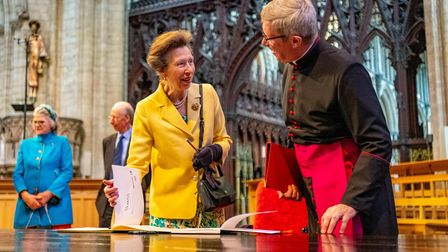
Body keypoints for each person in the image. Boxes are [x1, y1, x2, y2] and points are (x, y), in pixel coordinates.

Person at [260, 0, 398, 236]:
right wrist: (293, 179)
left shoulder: (346, 70)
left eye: (269, 38)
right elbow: (302, 133)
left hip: (349, 193)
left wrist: (351, 201)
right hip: (314, 190)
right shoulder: (289, 66)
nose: (265, 44)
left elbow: (378, 142)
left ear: (295, 40)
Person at [103, 30, 232, 228]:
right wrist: (120, 188)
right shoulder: (147, 108)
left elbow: (224, 139)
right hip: (169, 214)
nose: (189, 69)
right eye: (181, 64)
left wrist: (215, 150)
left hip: (209, 207)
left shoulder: (207, 94)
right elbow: (137, 164)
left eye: (191, 61)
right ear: (163, 72)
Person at [13, 104, 73, 229]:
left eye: (41, 122)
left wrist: (48, 194)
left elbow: (67, 172)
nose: (37, 125)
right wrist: (25, 195)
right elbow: (17, 174)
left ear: (51, 124)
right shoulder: (25, 144)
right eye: (35, 122)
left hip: (56, 208)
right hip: (27, 207)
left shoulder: (62, 142)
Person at [95, 101, 151, 228]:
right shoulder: (107, 141)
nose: (111, 121)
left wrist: (139, 189)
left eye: (115, 117)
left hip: (131, 200)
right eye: (110, 117)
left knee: (128, 242)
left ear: (127, 119)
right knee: (104, 243)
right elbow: (108, 170)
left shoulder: (140, 140)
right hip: (107, 200)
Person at [27, 20, 49, 101]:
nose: (33, 28)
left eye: (34, 27)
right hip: (31, 57)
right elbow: (28, 48)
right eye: (32, 27)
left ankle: (34, 92)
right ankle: (30, 91)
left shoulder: (39, 38)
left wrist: (44, 56)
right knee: (31, 74)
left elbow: (42, 47)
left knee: (35, 75)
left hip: (36, 58)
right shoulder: (29, 38)